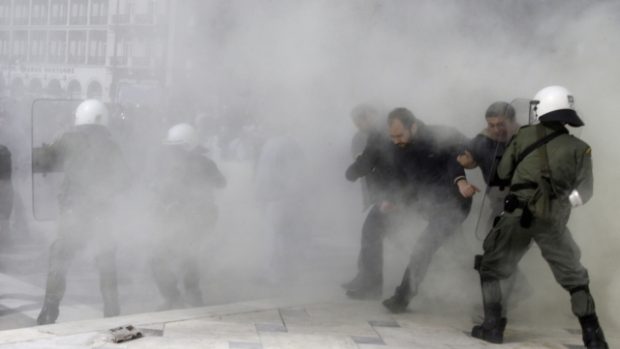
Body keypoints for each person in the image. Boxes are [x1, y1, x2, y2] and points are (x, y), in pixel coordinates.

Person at [471, 86, 608, 349]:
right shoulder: (581, 148)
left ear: (540, 109)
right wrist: (562, 205)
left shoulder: (523, 135)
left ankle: (492, 327)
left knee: (490, 266)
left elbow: (502, 172)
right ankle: (593, 336)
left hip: (517, 215)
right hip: (553, 220)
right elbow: (585, 192)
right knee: (575, 277)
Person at [34, 99, 131, 325]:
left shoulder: (68, 138)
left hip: (74, 211)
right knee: (106, 259)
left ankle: (49, 311)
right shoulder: (111, 145)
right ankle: (112, 311)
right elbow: (126, 179)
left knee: (59, 259)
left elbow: (43, 161)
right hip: (101, 213)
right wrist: (104, 193)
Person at [381, 108, 477, 313]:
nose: (396, 140)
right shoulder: (400, 148)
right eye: (392, 136)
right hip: (432, 206)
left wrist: (460, 182)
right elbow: (403, 178)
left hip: (454, 204)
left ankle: (402, 298)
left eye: (400, 135)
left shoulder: (435, 137)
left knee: (423, 248)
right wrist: (395, 199)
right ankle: (516, 287)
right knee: (459, 253)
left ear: (413, 126)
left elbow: (455, 160)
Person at [148, 123, 226, 310]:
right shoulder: (195, 163)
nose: (172, 152)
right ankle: (188, 297)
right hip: (193, 218)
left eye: (176, 148)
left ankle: (179, 297)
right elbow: (220, 183)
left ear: (187, 146)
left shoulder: (192, 165)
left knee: (169, 256)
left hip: (194, 218)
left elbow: (219, 183)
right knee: (185, 256)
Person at [342, 104, 398, 299]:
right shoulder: (372, 133)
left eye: (361, 120)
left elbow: (367, 162)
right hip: (386, 195)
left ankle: (372, 286)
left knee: (372, 235)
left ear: (372, 115)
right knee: (371, 236)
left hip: (393, 196)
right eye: (356, 123)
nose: (359, 126)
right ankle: (366, 280)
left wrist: (351, 172)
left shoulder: (383, 132)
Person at [0, 143, 12, 242]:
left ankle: (5, 239)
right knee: (5, 215)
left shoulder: (4, 151)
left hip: (5, 183)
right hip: (6, 183)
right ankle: (5, 239)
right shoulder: (5, 150)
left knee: (4, 214)